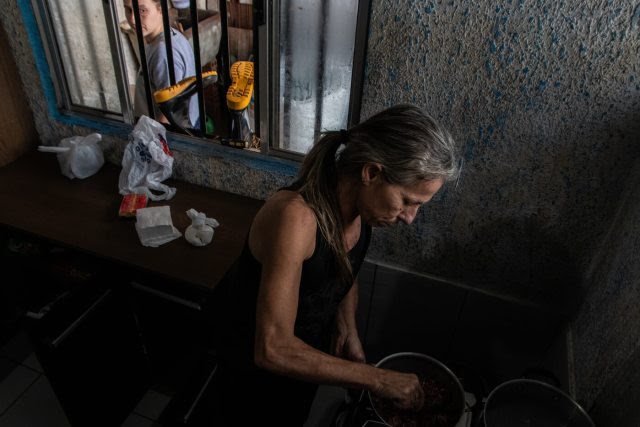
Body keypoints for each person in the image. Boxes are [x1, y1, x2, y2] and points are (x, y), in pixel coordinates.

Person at [208, 104, 461, 425]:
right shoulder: (296, 218)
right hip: (251, 368)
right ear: (371, 173)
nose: (410, 218)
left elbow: (344, 267)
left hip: (302, 359)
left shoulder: (363, 211)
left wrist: (348, 327)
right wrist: (377, 378)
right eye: (409, 202)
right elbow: (272, 349)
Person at [123, 0, 199, 128]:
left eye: (142, 11)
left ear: (161, 10)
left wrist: (151, 143)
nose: (132, 19)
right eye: (128, 10)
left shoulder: (163, 52)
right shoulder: (169, 36)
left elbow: (170, 113)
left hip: (171, 136)